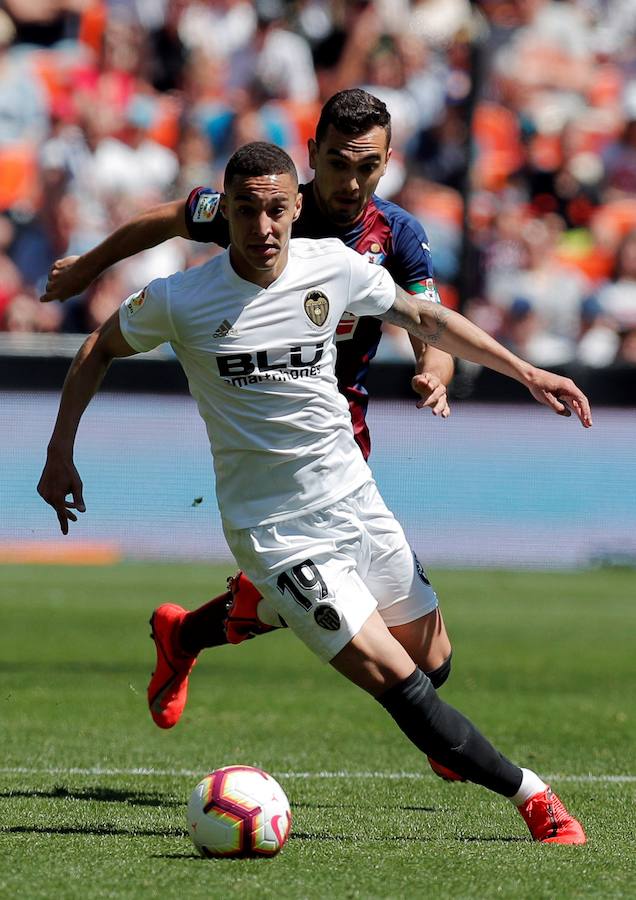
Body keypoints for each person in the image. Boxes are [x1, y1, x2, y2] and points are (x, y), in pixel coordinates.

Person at [38, 142, 589, 843]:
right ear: (225, 213)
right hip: (276, 531)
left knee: (434, 664)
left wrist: (528, 372)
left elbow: (427, 320)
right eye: (245, 212)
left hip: (355, 499)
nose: (262, 228)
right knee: (400, 684)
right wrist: (60, 455)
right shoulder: (183, 298)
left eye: (275, 210)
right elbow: (96, 349)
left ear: (297, 207)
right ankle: (535, 800)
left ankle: (187, 631)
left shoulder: (333, 265)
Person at [41, 90, 461, 762]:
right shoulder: (264, 208)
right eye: (337, 163)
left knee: (348, 607)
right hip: (263, 419)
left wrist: (434, 371)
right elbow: (169, 218)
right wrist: (88, 266)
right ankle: (432, 725)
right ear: (313, 154)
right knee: (315, 584)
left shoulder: (398, 235)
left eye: (369, 167)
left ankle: (183, 637)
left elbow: (430, 320)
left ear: (387, 164)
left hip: (340, 424)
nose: (351, 183)